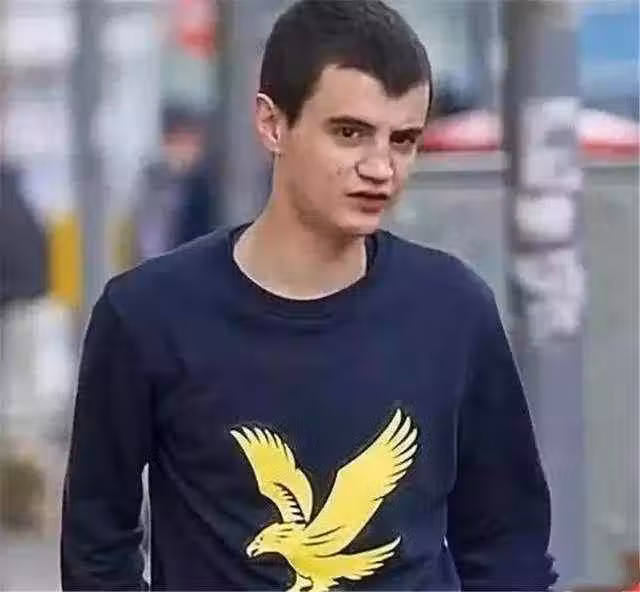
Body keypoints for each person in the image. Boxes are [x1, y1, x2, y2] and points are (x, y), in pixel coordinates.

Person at [61, 1, 557, 590]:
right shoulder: (147, 316)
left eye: (403, 140)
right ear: (273, 124)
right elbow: (97, 548)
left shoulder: (454, 311)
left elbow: (508, 542)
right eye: (350, 133)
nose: (381, 167)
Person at [132, 102, 215, 263]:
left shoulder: (204, 187)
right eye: (178, 141)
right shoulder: (153, 180)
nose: (184, 150)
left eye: (190, 142)